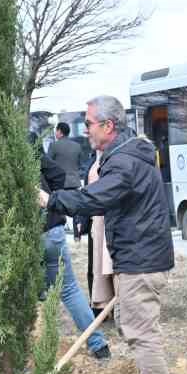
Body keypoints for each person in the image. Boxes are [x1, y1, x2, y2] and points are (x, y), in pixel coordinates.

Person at [42, 95, 179, 374]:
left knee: (138, 328)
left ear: (108, 125)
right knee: (138, 323)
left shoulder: (123, 162)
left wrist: (51, 200)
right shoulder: (127, 152)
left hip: (141, 257)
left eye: (89, 123)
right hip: (141, 253)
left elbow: (94, 199)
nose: (86, 130)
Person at [38, 141, 110, 361]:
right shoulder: (30, 152)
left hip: (23, 234)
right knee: (69, 289)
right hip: (52, 229)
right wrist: (50, 194)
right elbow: (58, 173)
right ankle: (98, 345)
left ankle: (26, 357)